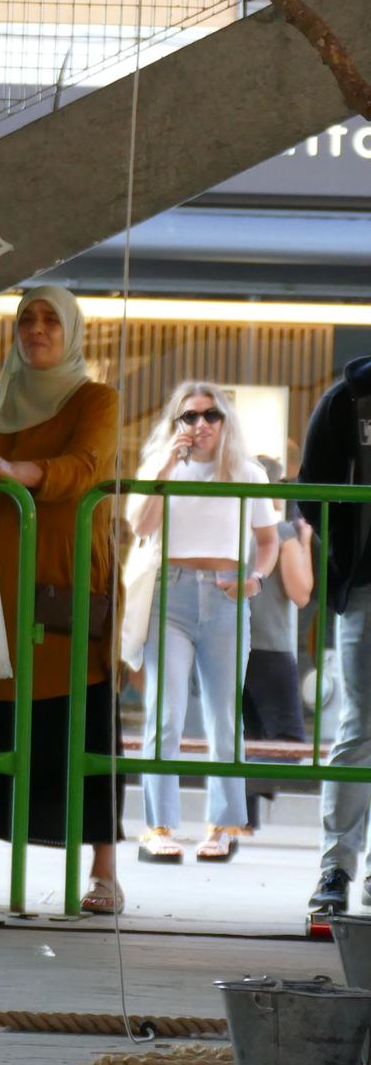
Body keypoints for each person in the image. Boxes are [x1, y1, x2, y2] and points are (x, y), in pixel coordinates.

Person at [0, 287, 124, 914]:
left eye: (50, 321)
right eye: (27, 320)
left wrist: (18, 473)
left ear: (71, 332)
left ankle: (105, 875)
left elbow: (86, 467)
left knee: (83, 722)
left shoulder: (96, 398)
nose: (37, 330)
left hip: (63, 582)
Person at [127, 381, 279, 864]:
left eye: (211, 415)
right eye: (189, 416)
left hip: (226, 593)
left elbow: (269, 542)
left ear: (226, 421)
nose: (201, 425)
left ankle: (223, 824)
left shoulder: (248, 473)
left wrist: (255, 579)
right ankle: (158, 825)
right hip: (169, 591)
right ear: (176, 423)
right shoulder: (160, 467)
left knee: (222, 716)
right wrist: (168, 463)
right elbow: (141, 526)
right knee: (165, 712)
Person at [296, 357, 371, 918]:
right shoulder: (348, 396)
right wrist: (346, 552)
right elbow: (312, 490)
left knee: (358, 725)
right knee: (360, 722)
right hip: (364, 583)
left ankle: (338, 868)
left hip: (359, 580)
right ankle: (337, 867)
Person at [240, 453, 313, 831]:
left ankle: (242, 822)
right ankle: (235, 787)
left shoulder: (234, 531)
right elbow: (301, 593)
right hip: (273, 648)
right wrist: (303, 543)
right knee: (289, 741)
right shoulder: (282, 534)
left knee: (252, 736)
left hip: (237, 644)